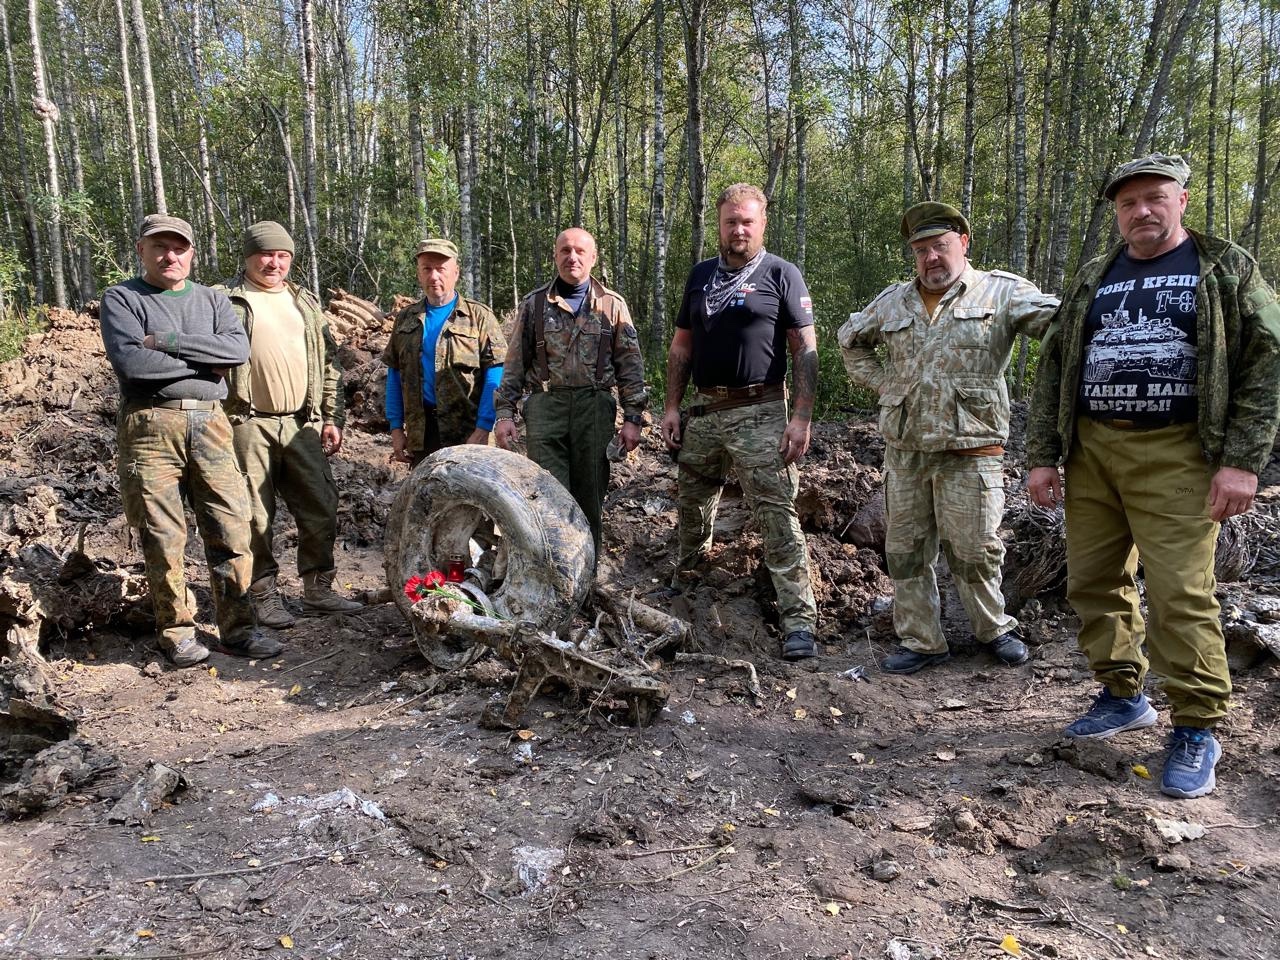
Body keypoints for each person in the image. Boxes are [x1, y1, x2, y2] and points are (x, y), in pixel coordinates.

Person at [1026, 153, 1280, 799]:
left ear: (1182, 201)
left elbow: (1266, 360)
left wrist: (1243, 461)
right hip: (1093, 452)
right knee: (1093, 581)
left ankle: (1196, 725)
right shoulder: (1095, 275)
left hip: (1178, 453)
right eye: (1127, 202)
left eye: (1153, 198)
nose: (1141, 211)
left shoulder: (1224, 267)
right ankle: (1121, 692)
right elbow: (1056, 365)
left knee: (1179, 592)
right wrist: (1042, 454)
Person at [840, 202, 1060, 675]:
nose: (931, 258)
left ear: (963, 242)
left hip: (972, 449)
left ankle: (994, 629)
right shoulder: (894, 301)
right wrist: (886, 385)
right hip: (907, 451)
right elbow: (850, 340)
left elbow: (1061, 326)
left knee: (977, 548)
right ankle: (921, 640)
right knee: (906, 551)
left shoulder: (999, 292)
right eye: (921, 250)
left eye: (940, 246)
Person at [99, 214, 280, 666]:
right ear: (141, 250)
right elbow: (134, 368)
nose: (170, 255)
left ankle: (239, 630)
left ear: (191, 253)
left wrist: (165, 340)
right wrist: (203, 365)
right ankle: (176, 631)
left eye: (179, 247)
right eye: (159, 247)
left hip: (212, 424)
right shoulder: (123, 298)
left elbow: (236, 352)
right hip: (150, 425)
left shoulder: (213, 301)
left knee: (231, 526)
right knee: (163, 534)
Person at [660, 183, 820, 662]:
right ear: (720, 224)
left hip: (761, 411)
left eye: (747, 221)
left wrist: (802, 418)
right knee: (692, 500)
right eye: (731, 221)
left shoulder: (781, 274)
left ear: (762, 223)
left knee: (776, 513)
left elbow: (805, 349)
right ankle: (687, 581)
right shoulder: (700, 276)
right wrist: (671, 407)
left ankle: (798, 620)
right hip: (706, 411)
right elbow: (681, 347)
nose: (739, 230)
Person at [218, 221, 361, 629]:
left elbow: (329, 365)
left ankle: (318, 588)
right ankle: (262, 593)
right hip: (246, 423)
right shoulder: (226, 301)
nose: (273, 262)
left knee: (321, 504)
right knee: (254, 514)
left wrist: (331, 417)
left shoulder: (305, 302)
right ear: (247, 257)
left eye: (282, 255)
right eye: (265, 254)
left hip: (302, 423)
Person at [494, 227, 648, 552]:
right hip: (546, 409)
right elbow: (515, 364)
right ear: (555, 256)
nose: (572, 257)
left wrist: (633, 417)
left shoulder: (612, 305)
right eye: (565, 250)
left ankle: (585, 584)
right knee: (548, 496)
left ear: (593, 258)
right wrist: (504, 413)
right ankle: (554, 579)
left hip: (594, 409)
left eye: (580, 251)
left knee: (590, 496)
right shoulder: (534, 304)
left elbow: (630, 366)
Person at [383, 239, 507, 465]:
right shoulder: (405, 319)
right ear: (419, 274)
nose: (434, 276)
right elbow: (395, 376)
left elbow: (495, 376)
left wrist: (483, 427)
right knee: (427, 495)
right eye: (427, 269)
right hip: (422, 433)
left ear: (456, 272)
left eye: (441, 269)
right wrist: (396, 428)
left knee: (469, 497)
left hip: (467, 433)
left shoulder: (479, 317)